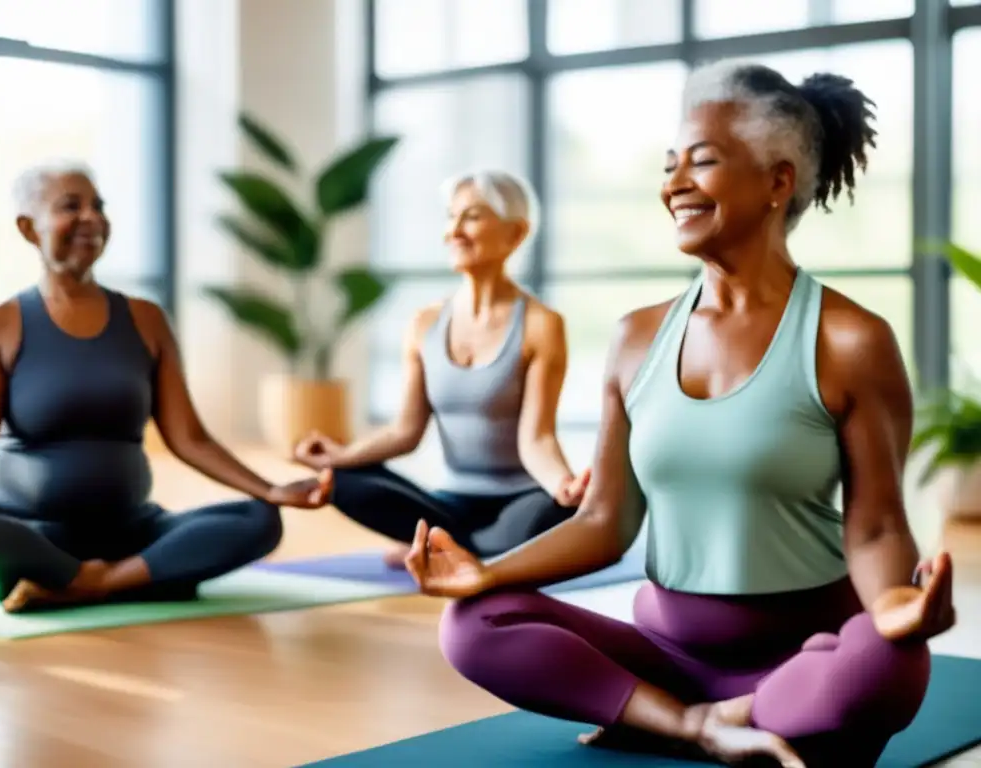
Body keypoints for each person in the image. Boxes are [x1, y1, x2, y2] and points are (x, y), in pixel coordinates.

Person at [403, 62, 956, 767]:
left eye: (702, 163)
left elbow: (875, 524)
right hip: (666, 652)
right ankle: (693, 722)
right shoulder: (636, 339)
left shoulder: (851, 339)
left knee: (889, 663)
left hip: (802, 658)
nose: (673, 185)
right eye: (670, 167)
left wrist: (893, 611)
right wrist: (486, 571)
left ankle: (706, 716)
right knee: (473, 624)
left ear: (778, 182)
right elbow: (604, 521)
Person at [0, 161, 331, 613]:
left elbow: (189, 438)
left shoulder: (146, 320)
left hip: (131, 531)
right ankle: (137, 578)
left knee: (258, 520)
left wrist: (271, 490)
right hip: (29, 532)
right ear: (28, 228)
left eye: (98, 206)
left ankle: (91, 583)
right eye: (70, 206)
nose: (91, 217)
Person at [293, 170, 590, 569]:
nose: (454, 230)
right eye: (451, 217)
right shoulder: (424, 324)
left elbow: (536, 438)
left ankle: (441, 547)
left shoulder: (541, 325)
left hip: (520, 501)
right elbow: (405, 432)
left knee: (559, 514)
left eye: (471, 217)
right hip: (449, 503)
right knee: (343, 482)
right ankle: (463, 549)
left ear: (515, 233)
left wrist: (563, 485)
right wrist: (341, 457)